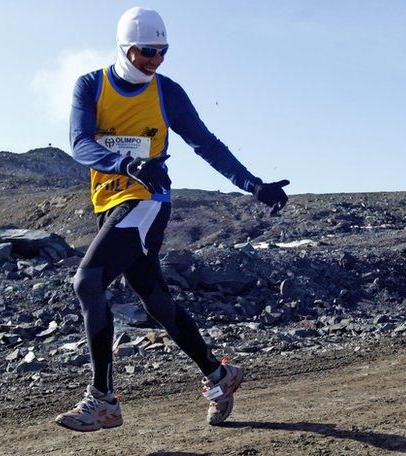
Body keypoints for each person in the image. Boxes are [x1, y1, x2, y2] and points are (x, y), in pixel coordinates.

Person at [55, 7, 290, 432]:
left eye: (162, 51)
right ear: (125, 47)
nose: (155, 59)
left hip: (148, 201)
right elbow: (79, 144)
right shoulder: (91, 85)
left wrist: (253, 185)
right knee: (154, 298)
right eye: (147, 51)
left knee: (87, 280)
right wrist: (126, 164)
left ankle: (102, 399)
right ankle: (220, 376)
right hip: (111, 201)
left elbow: (207, 144)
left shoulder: (168, 92)